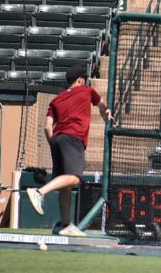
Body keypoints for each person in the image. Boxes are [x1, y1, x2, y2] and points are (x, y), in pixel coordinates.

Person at [26, 66, 112, 237]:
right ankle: (39, 192)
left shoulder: (56, 100)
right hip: (73, 139)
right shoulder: (87, 90)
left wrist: (54, 145)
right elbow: (102, 104)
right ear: (80, 79)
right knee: (74, 178)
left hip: (57, 139)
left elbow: (47, 127)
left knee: (65, 186)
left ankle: (65, 225)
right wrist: (106, 114)